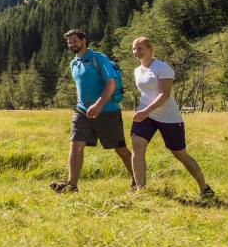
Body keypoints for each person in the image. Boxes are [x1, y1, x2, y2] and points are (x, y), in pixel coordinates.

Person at [51, 29, 135, 193]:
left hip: (107, 110)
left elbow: (110, 84)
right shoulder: (73, 63)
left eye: (75, 41)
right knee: (76, 147)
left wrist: (98, 105)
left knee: (120, 149)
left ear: (84, 41)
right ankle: (72, 185)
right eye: (69, 42)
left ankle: (137, 181)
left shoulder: (99, 58)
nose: (72, 45)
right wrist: (81, 104)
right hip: (82, 111)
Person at [129, 36, 214, 198]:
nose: (136, 52)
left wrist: (146, 111)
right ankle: (140, 190)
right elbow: (145, 92)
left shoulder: (162, 67)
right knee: (137, 145)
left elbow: (165, 95)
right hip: (145, 114)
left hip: (168, 116)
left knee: (179, 153)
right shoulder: (137, 71)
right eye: (134, 49)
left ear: (150, 49)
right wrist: (144, 111)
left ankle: (205, 188)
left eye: (139, 48)